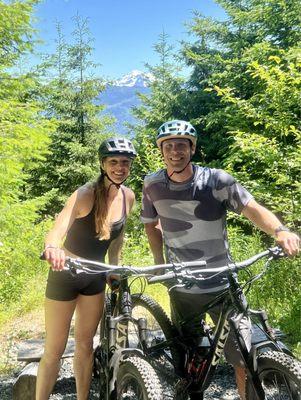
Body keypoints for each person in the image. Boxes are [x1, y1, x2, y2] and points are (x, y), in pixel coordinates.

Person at [140, 120, 300, 400]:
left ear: (193, 148)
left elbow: (252, 209)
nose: (175, 151)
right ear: (161, 150)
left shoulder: (216, 181)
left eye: (182, 145)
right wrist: (158, 261)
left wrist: (280, 231)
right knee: (188, 355)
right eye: (169, 146)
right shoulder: (152, 184)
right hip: (181, 284)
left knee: (242, 355)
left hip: (222, 281)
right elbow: (150, 224)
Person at [36, 137, 136, 400]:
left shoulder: (128, 197)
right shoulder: (84, 195)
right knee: (54, 350)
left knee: (85, 346)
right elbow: (57, 229)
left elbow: (116, 242)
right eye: (113, 162)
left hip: (94, 276)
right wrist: (53, 249)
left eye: (125, 162)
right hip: (65, 274)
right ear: (103, 164)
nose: (119, 167)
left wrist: (113, 269)